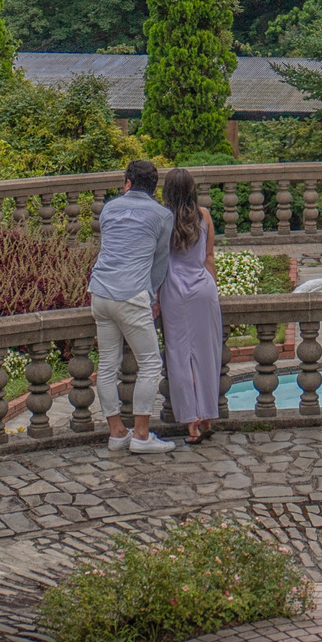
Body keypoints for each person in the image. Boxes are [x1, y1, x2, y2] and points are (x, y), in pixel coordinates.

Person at [88, 160, 178, 453]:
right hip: (131, 294)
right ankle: (140, 435)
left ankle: (117, 432)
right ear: (155, 187)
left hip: (100, 292)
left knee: (107, 365)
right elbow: (160, 261)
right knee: (151, 363)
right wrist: (152, 297)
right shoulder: (163, 216)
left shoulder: (110, 208)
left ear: (127, 182)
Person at [157, 167, 224, 443]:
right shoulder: (204, 215)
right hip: (202, 289)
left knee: (179, 355)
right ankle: (208, 414)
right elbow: (209, 257)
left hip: (173, 291)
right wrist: (215, 290)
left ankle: (191, 420)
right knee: (207, 354)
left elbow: (158, 261)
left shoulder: (163, 220)